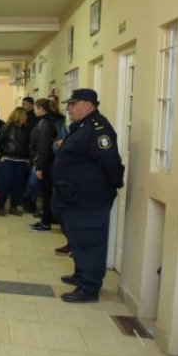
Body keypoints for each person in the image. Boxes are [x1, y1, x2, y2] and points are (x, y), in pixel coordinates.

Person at [52, 89, 124, 303]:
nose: (69, 108)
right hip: (74, 197)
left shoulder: (98, 129)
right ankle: (82, 275)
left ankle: (89, 288)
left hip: (89, 198)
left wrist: (110, 186)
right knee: (79, 239)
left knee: (90, 241)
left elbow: (110, 163)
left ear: (88, 105)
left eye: (73, 104)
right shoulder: (82, 127)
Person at [29, 98, 66, 231]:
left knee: (45, 194)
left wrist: (39, 167)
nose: (34, 110)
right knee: (47, 194)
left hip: (46, 163)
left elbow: (43, 146)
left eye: (36, 108)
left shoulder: (45, 123)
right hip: (51, 162)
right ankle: (46, 220)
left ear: (42, 109)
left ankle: (45, 222)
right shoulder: (53, 120)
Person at [0, 107, 31, 216]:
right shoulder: (7, 127)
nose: (26, 117)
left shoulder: (27, 129)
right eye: (24, 115)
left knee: (17, 186)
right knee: (5, 185)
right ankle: (1, 207)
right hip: (8, 160)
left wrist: (28, 159)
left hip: (21, 161)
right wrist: (0, 156)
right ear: (19, 115)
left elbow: (29, 145)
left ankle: (13, 207)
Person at [21, 96, 40, 214]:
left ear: (32, 105)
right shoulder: (22, 116)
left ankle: (29, 201)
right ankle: (27, 200)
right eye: (22, 104)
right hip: (25, 152)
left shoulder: (35, 119)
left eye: (25, 104)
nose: (23, 106)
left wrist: (30, 155)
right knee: (27, 180)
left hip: (32, 154)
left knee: (32, 181)